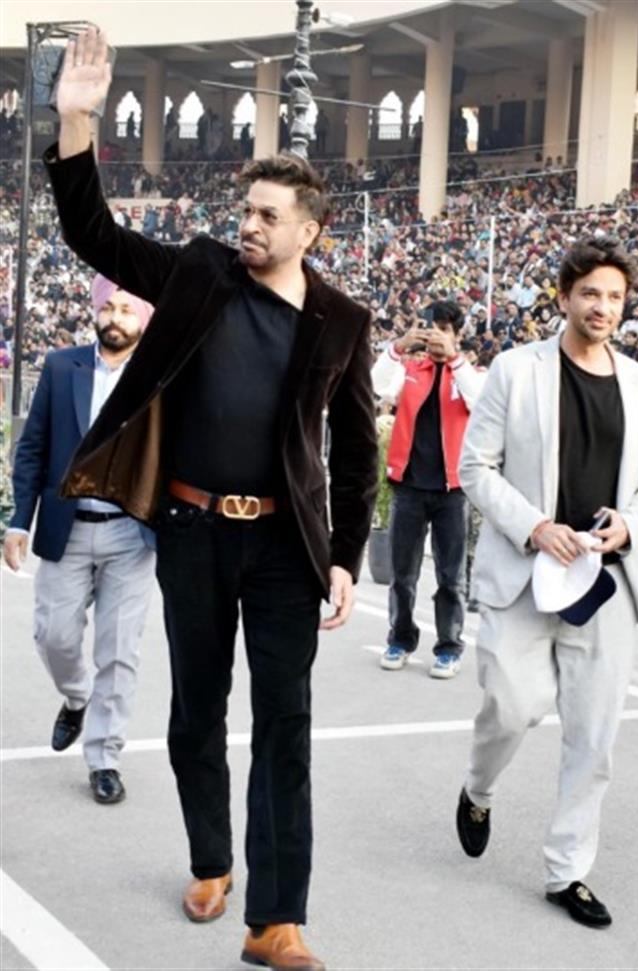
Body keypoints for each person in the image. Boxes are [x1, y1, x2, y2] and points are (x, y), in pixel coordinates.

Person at [46, 27, 377, 971]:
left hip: (282, 549)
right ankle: (209, 859)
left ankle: (276, 919)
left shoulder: (343, 321)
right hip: (191, 529)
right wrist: (75, 123)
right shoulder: (199, 273)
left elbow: (357, 450)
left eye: (270, 215)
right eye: (248, 210)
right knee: (197, 712)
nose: (251, 225)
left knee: (285, 725)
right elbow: (94, 234)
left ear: (310, 231)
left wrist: (345, 555)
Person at [455, 237, 638, 928]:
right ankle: (478, 787)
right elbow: (475, 467)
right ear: (564, 297)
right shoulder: (517, 371)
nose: (602, 307)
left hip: (603, 581)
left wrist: (630, 525)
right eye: (590, 294)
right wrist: (536, 526)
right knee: (512, 706)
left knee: (594, 737)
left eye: (614, 297)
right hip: (527, 572)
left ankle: (567, 870)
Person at [3, 275, 156, 804]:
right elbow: (32, 448)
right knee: (54, 636)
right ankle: (77, 698)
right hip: (65, 529)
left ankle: (105, 758)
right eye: (108, 307)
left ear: (144, 319)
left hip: (130, 536)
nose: (115, 318)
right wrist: (19, 521)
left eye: (127, 310)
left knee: (119, 652)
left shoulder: (160, 375)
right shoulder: (60, 366)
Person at [371, 300, 484, 678]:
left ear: (458, 334)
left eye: (444, 329)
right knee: (403, 574)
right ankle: (400, 639)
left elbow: (479, 402)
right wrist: (398, 346)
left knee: (451, 578)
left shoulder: (470, 374)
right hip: (409, 486)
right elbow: (376, 384)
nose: (436, 336)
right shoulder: (409, 370)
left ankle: (449, 646)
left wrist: (453, 358)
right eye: (431, 328)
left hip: (452, 490)